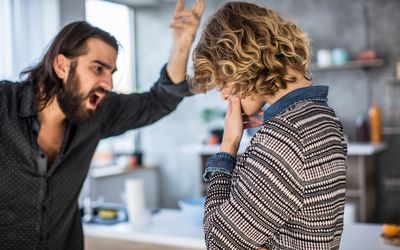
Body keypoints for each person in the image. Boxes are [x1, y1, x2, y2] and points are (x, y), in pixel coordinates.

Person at [0, 0, 204, 249]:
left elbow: (158, 101)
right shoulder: (4, 105)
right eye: (98, 68)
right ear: (62, 66)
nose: (108, 83)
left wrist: (181, 47)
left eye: (112, 72)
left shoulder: (97, 114)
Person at [191, 2, 347, 250]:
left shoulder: (285, 136)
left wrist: (228, 146)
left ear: (242, 63)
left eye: (222, 80)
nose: (223, 95)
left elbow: (218, 241)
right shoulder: (321, 115)